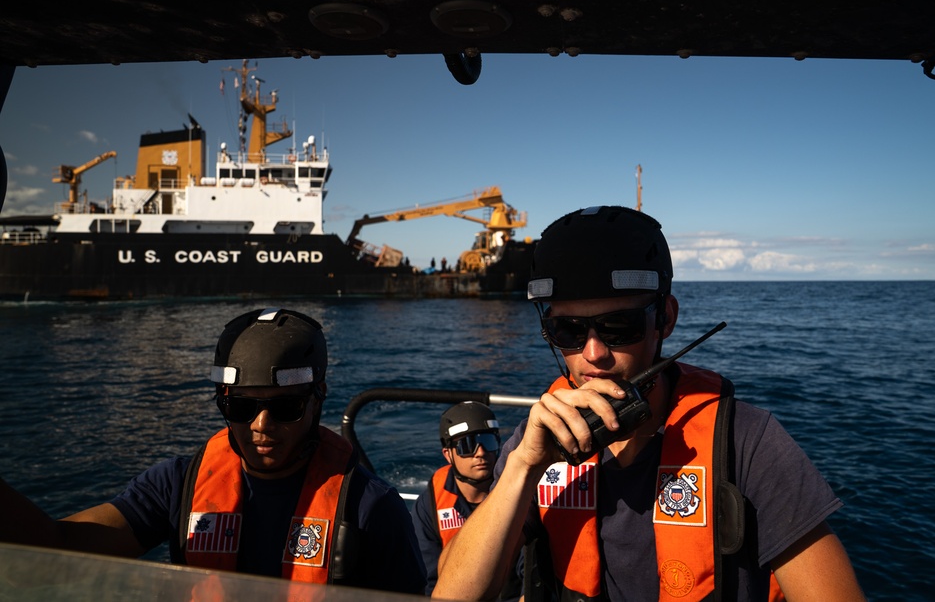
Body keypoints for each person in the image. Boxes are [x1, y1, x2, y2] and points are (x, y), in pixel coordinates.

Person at [433, 206, 865, 601]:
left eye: (619, 326)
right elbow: (452, 594)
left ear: (666, 319)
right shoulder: (537, 441)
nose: (593, 353)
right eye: (567, 330)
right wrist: (524, 466)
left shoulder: (745, 442)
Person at [0, 307, 426, 594]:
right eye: (240, 406)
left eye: (285, 407)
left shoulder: (371, 507)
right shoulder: (174, 485)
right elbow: (59, 542)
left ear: (319, 399)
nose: (261, 425)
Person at [412, 402, 520, 598]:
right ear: (448, 454)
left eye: (488, 442)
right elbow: (427, 579)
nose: (480, 453)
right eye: (466, 445)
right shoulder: (430, 504)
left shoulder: (519, 494)